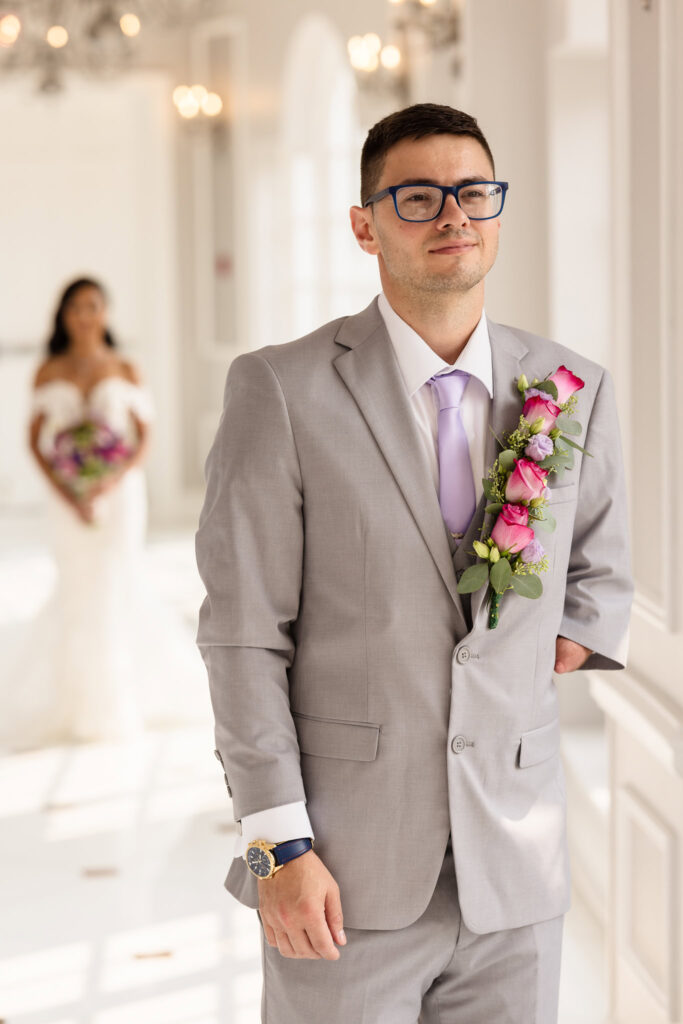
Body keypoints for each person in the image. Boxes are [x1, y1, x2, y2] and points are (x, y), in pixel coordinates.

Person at [195, 104, 633, 1023]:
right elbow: (242, 637)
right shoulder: (279, 389)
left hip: (514, 865)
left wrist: (568, 637)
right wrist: (277, 846)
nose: (453, 216)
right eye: (418, 196)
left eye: (474, 193)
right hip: (342, 874)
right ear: (365, 224)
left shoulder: (569, 387)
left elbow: (597, 563)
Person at [1, 277, 207, 751]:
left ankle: (123, 697)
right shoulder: (48, 370)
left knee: (118, 581)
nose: (85, 315)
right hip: (66, 497)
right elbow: (34, 441)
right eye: (75, 307)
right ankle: (74, 699)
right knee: (77, 584)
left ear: (106, 312)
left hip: (120, 496)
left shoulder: (126, 368)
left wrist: (109, 483)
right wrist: (68, 490)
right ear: (63, 314)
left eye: (93, 306)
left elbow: (143, 439)